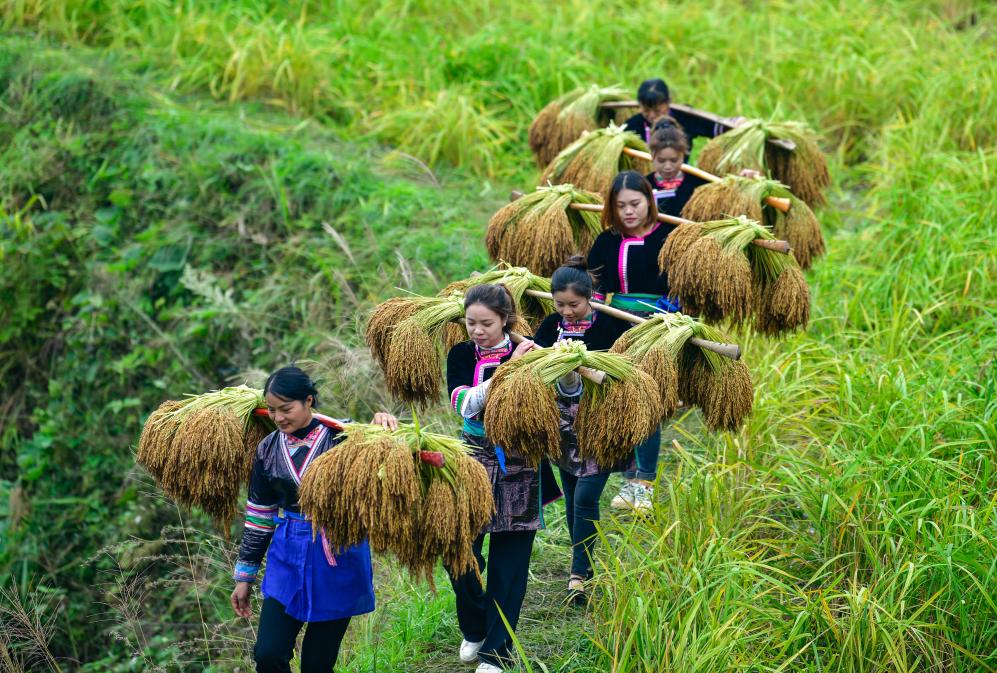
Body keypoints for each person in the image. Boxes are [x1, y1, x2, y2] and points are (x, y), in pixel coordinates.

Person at [230, 366, 398, 673]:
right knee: (268, 654)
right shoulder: (268, 448)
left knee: (317, 666)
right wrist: (244, 577)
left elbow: (385, 466)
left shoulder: (344, 437)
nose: (279, 418)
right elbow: (260, 516)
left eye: (286, 409)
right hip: (287, 555)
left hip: (336, 553)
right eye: (273, 410)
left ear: (308, 401)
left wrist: (381, 427)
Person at [445, 284, 562, 673]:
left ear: (506, 320)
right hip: (473, 460)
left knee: (508, 567)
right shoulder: (461, 354)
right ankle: (475, 627)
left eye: (486, 324)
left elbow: (559, 400)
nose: (477, 331)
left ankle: (496, 653)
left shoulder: (531, 354)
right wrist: (507, 371)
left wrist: (551, 360)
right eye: (471, 323)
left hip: (519, 464)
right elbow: (463, 403)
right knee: (458, 551)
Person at [531, 257, 630, 603]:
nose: (566, 311)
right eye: (560, 304)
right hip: (563, 426)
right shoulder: (550, 326)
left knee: (587, 496)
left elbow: (625, 372)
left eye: (573, 304)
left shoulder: (612, 325)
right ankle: (584, 567)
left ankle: (577, 574)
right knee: (574, 498)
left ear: (590, 297)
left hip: (601, 424)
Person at [587, 171, 675, 511]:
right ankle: (627, 479)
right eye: (621, 205)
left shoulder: (668, 235)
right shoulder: (606, 241)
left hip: (657, 325)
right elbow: (594, 290)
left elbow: (682, 282)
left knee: (647, 401)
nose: (628, 211)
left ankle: (644, 483)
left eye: (635, 203)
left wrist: (672, 310)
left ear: (649, 201)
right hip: (615, 323)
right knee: (619, 399)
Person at [623, 77, 738, 152]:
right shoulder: (632, 126)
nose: (652, 116)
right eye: (646, 111)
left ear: (668, 102)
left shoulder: (685, 117)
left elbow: (714, 127)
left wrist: (736, 124)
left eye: (657, 111)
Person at [646, 119, 707, 218]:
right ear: (652, 157)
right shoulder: (645, 185)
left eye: (674, 160)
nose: (668, 167)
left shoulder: (698, 183)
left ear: (683, 156)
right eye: (661, 161)